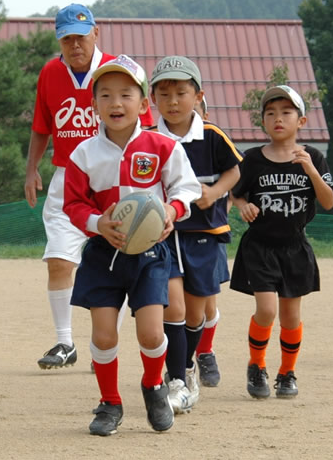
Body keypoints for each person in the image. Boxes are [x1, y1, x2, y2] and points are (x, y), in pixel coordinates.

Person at [62, 55, 201, 435]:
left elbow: (187, 189)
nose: (116, 103)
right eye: (105, 95)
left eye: (126, 94)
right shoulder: (83, 154)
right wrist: (97, 222)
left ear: (143, 104)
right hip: (103, 255)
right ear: (94, 107)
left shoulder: (162, 146)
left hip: (151, 255)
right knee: (104, 335)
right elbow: (71, 204)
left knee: (153, 334)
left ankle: (154, 386)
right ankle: (110, 403)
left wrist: (172, 211)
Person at [25, 4, 154, 370]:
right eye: (66, 38)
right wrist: (31, 168)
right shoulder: (50, 72)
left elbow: (145, 129)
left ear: (95, 33)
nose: (74, 44)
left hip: (117, 174)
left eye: (80, 37)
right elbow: (42, 125)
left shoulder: (119, 69)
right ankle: (64, 342)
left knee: (129, 256)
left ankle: (119, 337)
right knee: (58, 260)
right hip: (69, 175)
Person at [148, 56, 242, 411]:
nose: (173, 102)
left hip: (205, 232)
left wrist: (215, 193)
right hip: (163, 235)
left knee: (195, 313)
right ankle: (179, 376)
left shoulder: (213, 135)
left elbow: (233, 173)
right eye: (165, 93)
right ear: (152, 98)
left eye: (181, 93)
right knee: (173, 306)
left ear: (198, 95)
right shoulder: (148, 138)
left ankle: (189, 364)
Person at [230, 85, 333, 399]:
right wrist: (241, 206)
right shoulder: (251, 159)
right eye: (271, 113)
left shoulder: (313, 157)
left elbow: (328, 202)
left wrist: (310, 169)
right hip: (260, 246)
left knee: (291, 317)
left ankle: (287, 372)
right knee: (267, 310)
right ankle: (256, 364)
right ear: (263, 121)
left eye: (286, 112)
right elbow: (234, 192)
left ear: (301, 121)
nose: (278, 119)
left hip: (295, 247)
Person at [192, 95, 237, 387]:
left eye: (194, 111)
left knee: (207, 301)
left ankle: (205, 351)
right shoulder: (165, 142)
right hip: (175, 233)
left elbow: (236, 180)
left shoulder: (214, 142)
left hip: (209, 233)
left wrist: (224, 209)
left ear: (204, 113)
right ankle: (180, 357)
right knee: (176, 304)